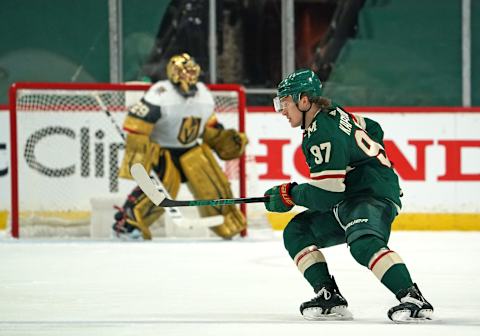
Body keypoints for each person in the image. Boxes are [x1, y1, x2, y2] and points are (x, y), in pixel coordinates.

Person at [264, 68, 433, 323]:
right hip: (356, 195)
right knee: (297, 232)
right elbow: (373, 128)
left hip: (370, 195)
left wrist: (289, 195)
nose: (282, 110)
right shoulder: (333, 111)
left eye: (285, 103)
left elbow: (327, 196)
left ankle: (413, 298)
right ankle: (328, 295)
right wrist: (376, 161)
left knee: (363, 242)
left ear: (304, 100)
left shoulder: (322, 133)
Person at [113, 53, 248, 240]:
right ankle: (128, 222)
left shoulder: (203, 94)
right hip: (163, 150)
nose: (188, 77)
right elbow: (137, 123)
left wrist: (222, 139)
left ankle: (228, 225)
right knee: (160, 191)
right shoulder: (161, 92)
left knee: (215, 186)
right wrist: (139, 152)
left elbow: (208, 126)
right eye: (183, 72)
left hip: (191, 149)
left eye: (191, 72)